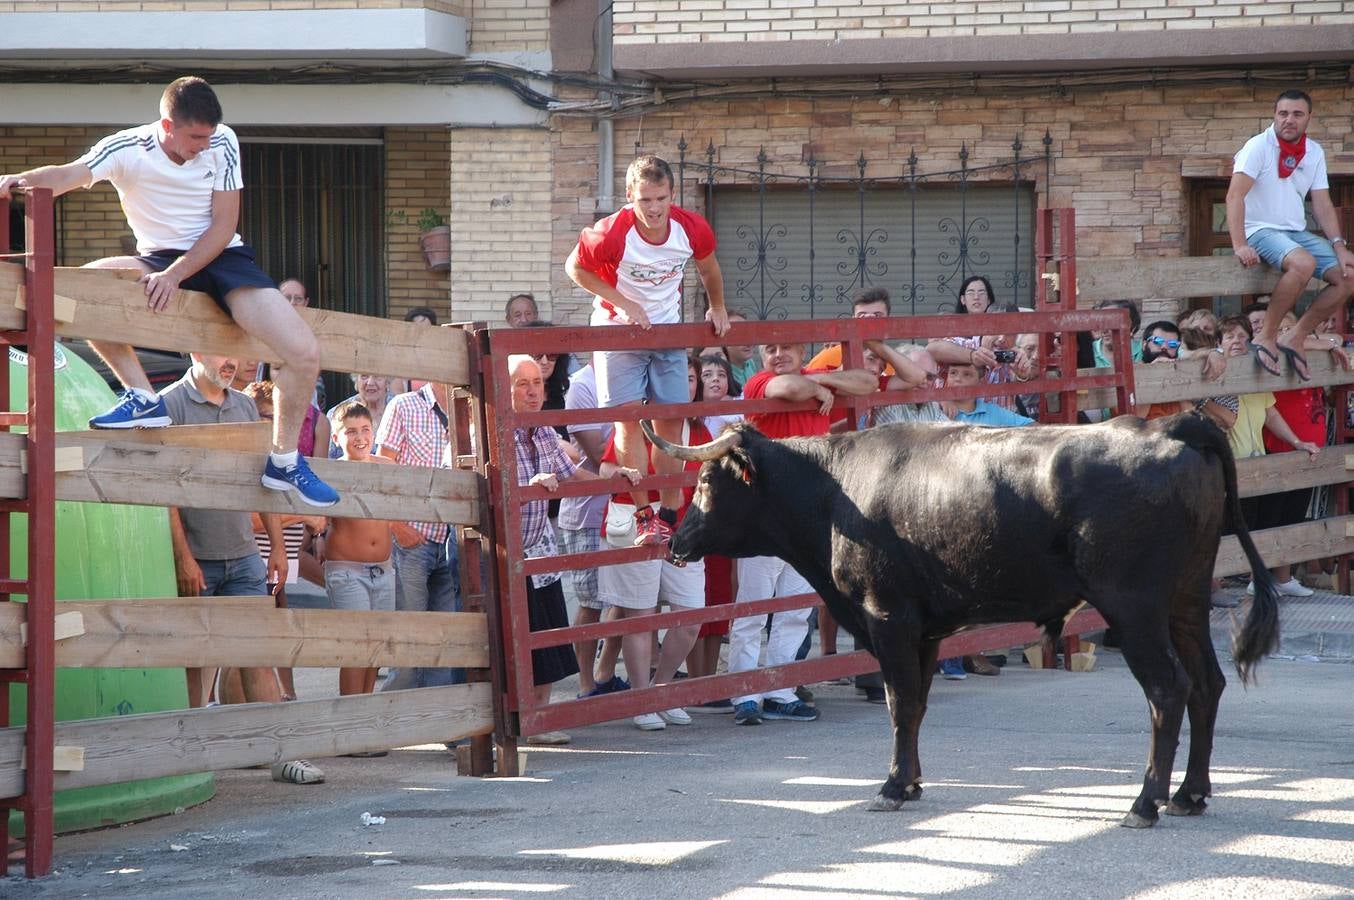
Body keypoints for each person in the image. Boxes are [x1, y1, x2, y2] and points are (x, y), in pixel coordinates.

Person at [0, 76, 337, 507]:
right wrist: (17, 180)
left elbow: (223, 226)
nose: (203, 145)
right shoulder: (126, 148)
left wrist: (176, 275)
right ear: (167, 125)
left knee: (304, 352)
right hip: (156, 258)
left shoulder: (224, 142)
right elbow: (67, 175)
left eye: (209, 136)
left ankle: (284, 461)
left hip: (222, 258)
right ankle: (142, 396)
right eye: (195, 137)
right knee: (86, 290)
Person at [160, 352, 323, 785]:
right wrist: (182, 557)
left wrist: (272, 545)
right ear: (195, 351)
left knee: (258, 653)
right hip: (198, 556)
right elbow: (162, 492)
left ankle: (281, 754)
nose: (232, 362)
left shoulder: (245, 405)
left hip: (244, 553)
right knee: (194, 658)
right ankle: (189, 762)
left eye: (236, 352)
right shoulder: (170, 404)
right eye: (220, 351)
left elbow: (262, 476)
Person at [565, 154, 730, 547]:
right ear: (629, 197)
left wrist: (718, 306)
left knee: (671, 420)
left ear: (673, 195)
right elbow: (575, 268)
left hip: (666, 328)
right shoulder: (610, 232)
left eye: (661, 198)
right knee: (628, 420)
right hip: (616, 330)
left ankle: (670, 511)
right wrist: (622, 302)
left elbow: (709, 269)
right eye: (645, 200)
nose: (654, 208)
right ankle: (643, 515)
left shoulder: (691, 228)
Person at [727, 341, 879, 726]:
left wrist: (819, 380)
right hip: (763, 517)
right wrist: (816, 387)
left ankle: (780, 690)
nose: (778, 355)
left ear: (803, 353)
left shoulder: (812, 378)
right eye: (770, 350)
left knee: (796, 609)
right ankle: (745, 693)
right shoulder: (760, 382)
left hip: (808, 518)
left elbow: (867, 381)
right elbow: (787, 389)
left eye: (788, 349)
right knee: (754, 607)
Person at [509, 354, 640, 746]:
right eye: (522, 384)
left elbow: (572, 474)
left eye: (537, 382)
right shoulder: (491, 429)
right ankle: (517, 722)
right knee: (514, 640)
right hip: (504, 554)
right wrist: (530, 483)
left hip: (538, 547)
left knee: (547, 632)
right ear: (504, 387)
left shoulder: (545, 431)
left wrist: (610, 476)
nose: (533, 391)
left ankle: (538, 721)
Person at [596, 357, 709, 731]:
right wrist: (625, 474)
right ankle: (642, 698)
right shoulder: (635, 423)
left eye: (693, 379)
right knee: (639, 616)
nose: (688, 385)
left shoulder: (700, 430)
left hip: (684, 524)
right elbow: (605, 468)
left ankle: (662, 690)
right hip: (634, 520)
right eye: (685, 378)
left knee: (690, 616)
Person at [1228, 89, 1354, 381]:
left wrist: (1339, 245)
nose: (1289, 120)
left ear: (1309, 118)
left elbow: (1321, 203)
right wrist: (1239, 244)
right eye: (1283, 113)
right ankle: (1267, 336)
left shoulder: (1314, 152)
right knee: (1303, 263)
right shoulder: (1257, 146)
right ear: (1274, 115)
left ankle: (1296, 335)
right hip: (1259, 229)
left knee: (1348, 276)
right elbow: (1234, 196)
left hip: (1295, 232)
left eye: (1297, 114)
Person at [322, 400, 425, 714]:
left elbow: (409, 498)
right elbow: (317, 514)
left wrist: (402, 525)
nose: (359, 437)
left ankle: (365, 718)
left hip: (383, 568)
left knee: (376, 646)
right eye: (350, 431)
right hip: (347, 570)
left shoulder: (386, 467)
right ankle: (350, 721)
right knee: (357, 646)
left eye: (365, 429)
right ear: (337, 438)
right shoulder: (332, 472)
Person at [375, 379, 461, 690]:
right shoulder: (403, 405)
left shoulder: (468, 404)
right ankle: (398, 719)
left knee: (444, 639)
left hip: (453, 538)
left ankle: (437, 722)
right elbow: (382, 469)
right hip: (413, 536)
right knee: (409, 636)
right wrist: (397, 526)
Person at [559, 359, 626, 698]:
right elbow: (599, 454)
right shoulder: (583, 386)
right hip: (589, 511)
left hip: (627, 504)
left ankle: (605, 672)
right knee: (591, 601)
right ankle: (586, 684)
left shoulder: (630, 373)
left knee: (629, 598)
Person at [807, 287, 895, 373]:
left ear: (889, 321)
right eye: (862, 315)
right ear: (853, 320)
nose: (869, 322)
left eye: (877, 315)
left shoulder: (894, 363)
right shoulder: (830, 357)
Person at [722, 311, 760, 389]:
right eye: (739, 335)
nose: (748, 343)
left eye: (748, 334)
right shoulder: (721, 373)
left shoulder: (749, 362)